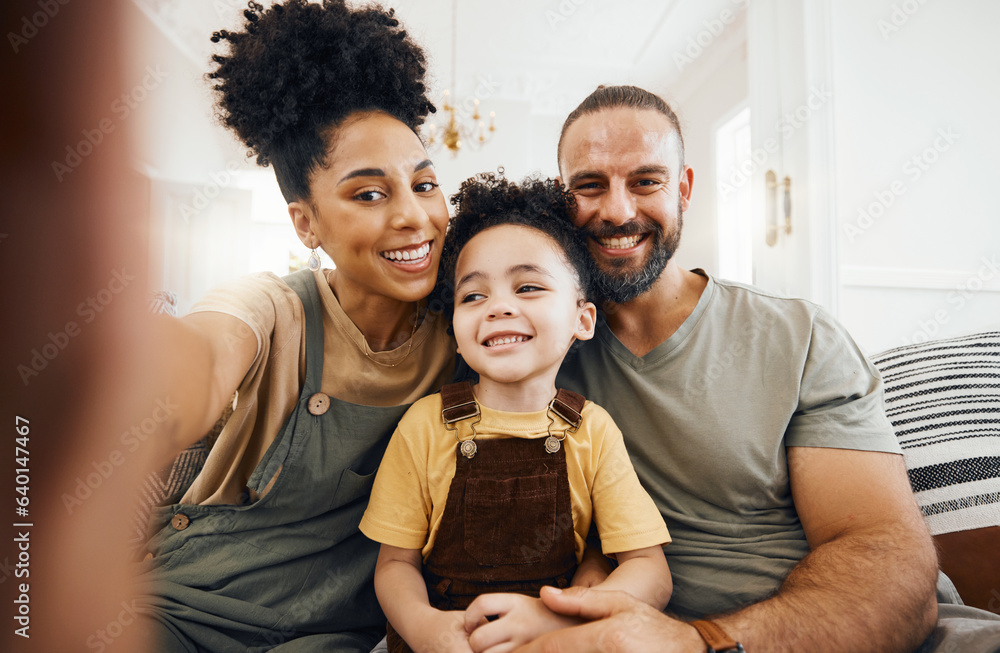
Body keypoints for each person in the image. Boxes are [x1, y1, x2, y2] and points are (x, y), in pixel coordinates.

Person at [510, 84, 1000, 653]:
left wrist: (699, 642)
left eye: (646, 181)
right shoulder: (533, 350)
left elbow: (885, 558)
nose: (618, 211)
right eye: (589, 185)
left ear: (685, 189)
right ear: (560, 199)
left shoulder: (799, 337)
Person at [133, 2, 461, 651]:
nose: (413, 216)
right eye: (368, 194)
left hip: (334, 635)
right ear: (306, 223)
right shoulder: (270, 307)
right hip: (180, 610)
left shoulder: (466, 331)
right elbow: (201, 357)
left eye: (424, 184)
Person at [359, 174, 672, 653]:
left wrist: (561, 616)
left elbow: (649, 569)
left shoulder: (592, 430)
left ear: (581, 319)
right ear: (457, 329)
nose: (499, 307)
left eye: (527, 287)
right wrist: (424, 629)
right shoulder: (426, 424)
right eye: (474, 296)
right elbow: (394, 565)